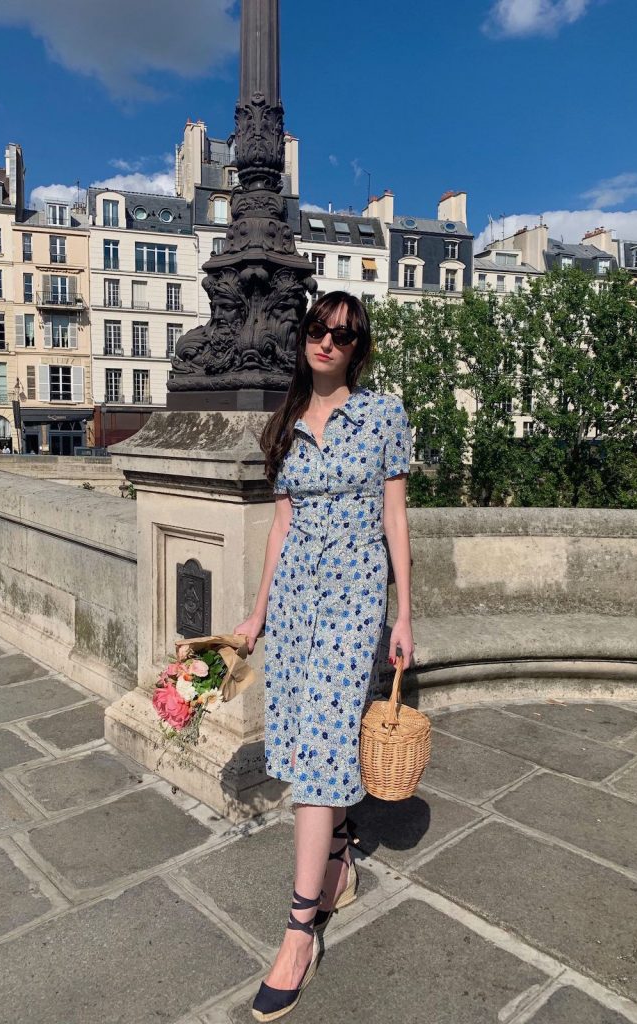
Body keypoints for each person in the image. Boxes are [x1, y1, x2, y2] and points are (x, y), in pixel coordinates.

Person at [234, 291, 414, 1022]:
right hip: (297, 599)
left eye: (343, 335)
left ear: (357, 347)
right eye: (317, 329)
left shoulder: (384, 415)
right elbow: (281, 526)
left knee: (317, 753)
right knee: (314, 736)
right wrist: (257, 610)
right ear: (304, 338)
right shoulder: (283, 424)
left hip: (353, 596)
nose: (327, 343)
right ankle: (338, 866)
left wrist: (407, 612)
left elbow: (395, 514)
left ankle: (297, 930)